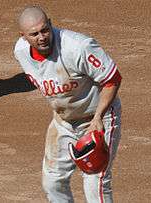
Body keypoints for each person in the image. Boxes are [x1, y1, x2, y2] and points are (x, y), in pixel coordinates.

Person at [14, 6, 122, 203]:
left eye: (45, 30)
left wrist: (98, 118)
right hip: (64, 121)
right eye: (34, 34)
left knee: (95, 179)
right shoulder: (21, 52)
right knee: (52, 183)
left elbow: (112, 79)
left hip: (98, 117)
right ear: (23, 36)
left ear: (51, 24)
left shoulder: (77, 47)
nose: (42, 37)